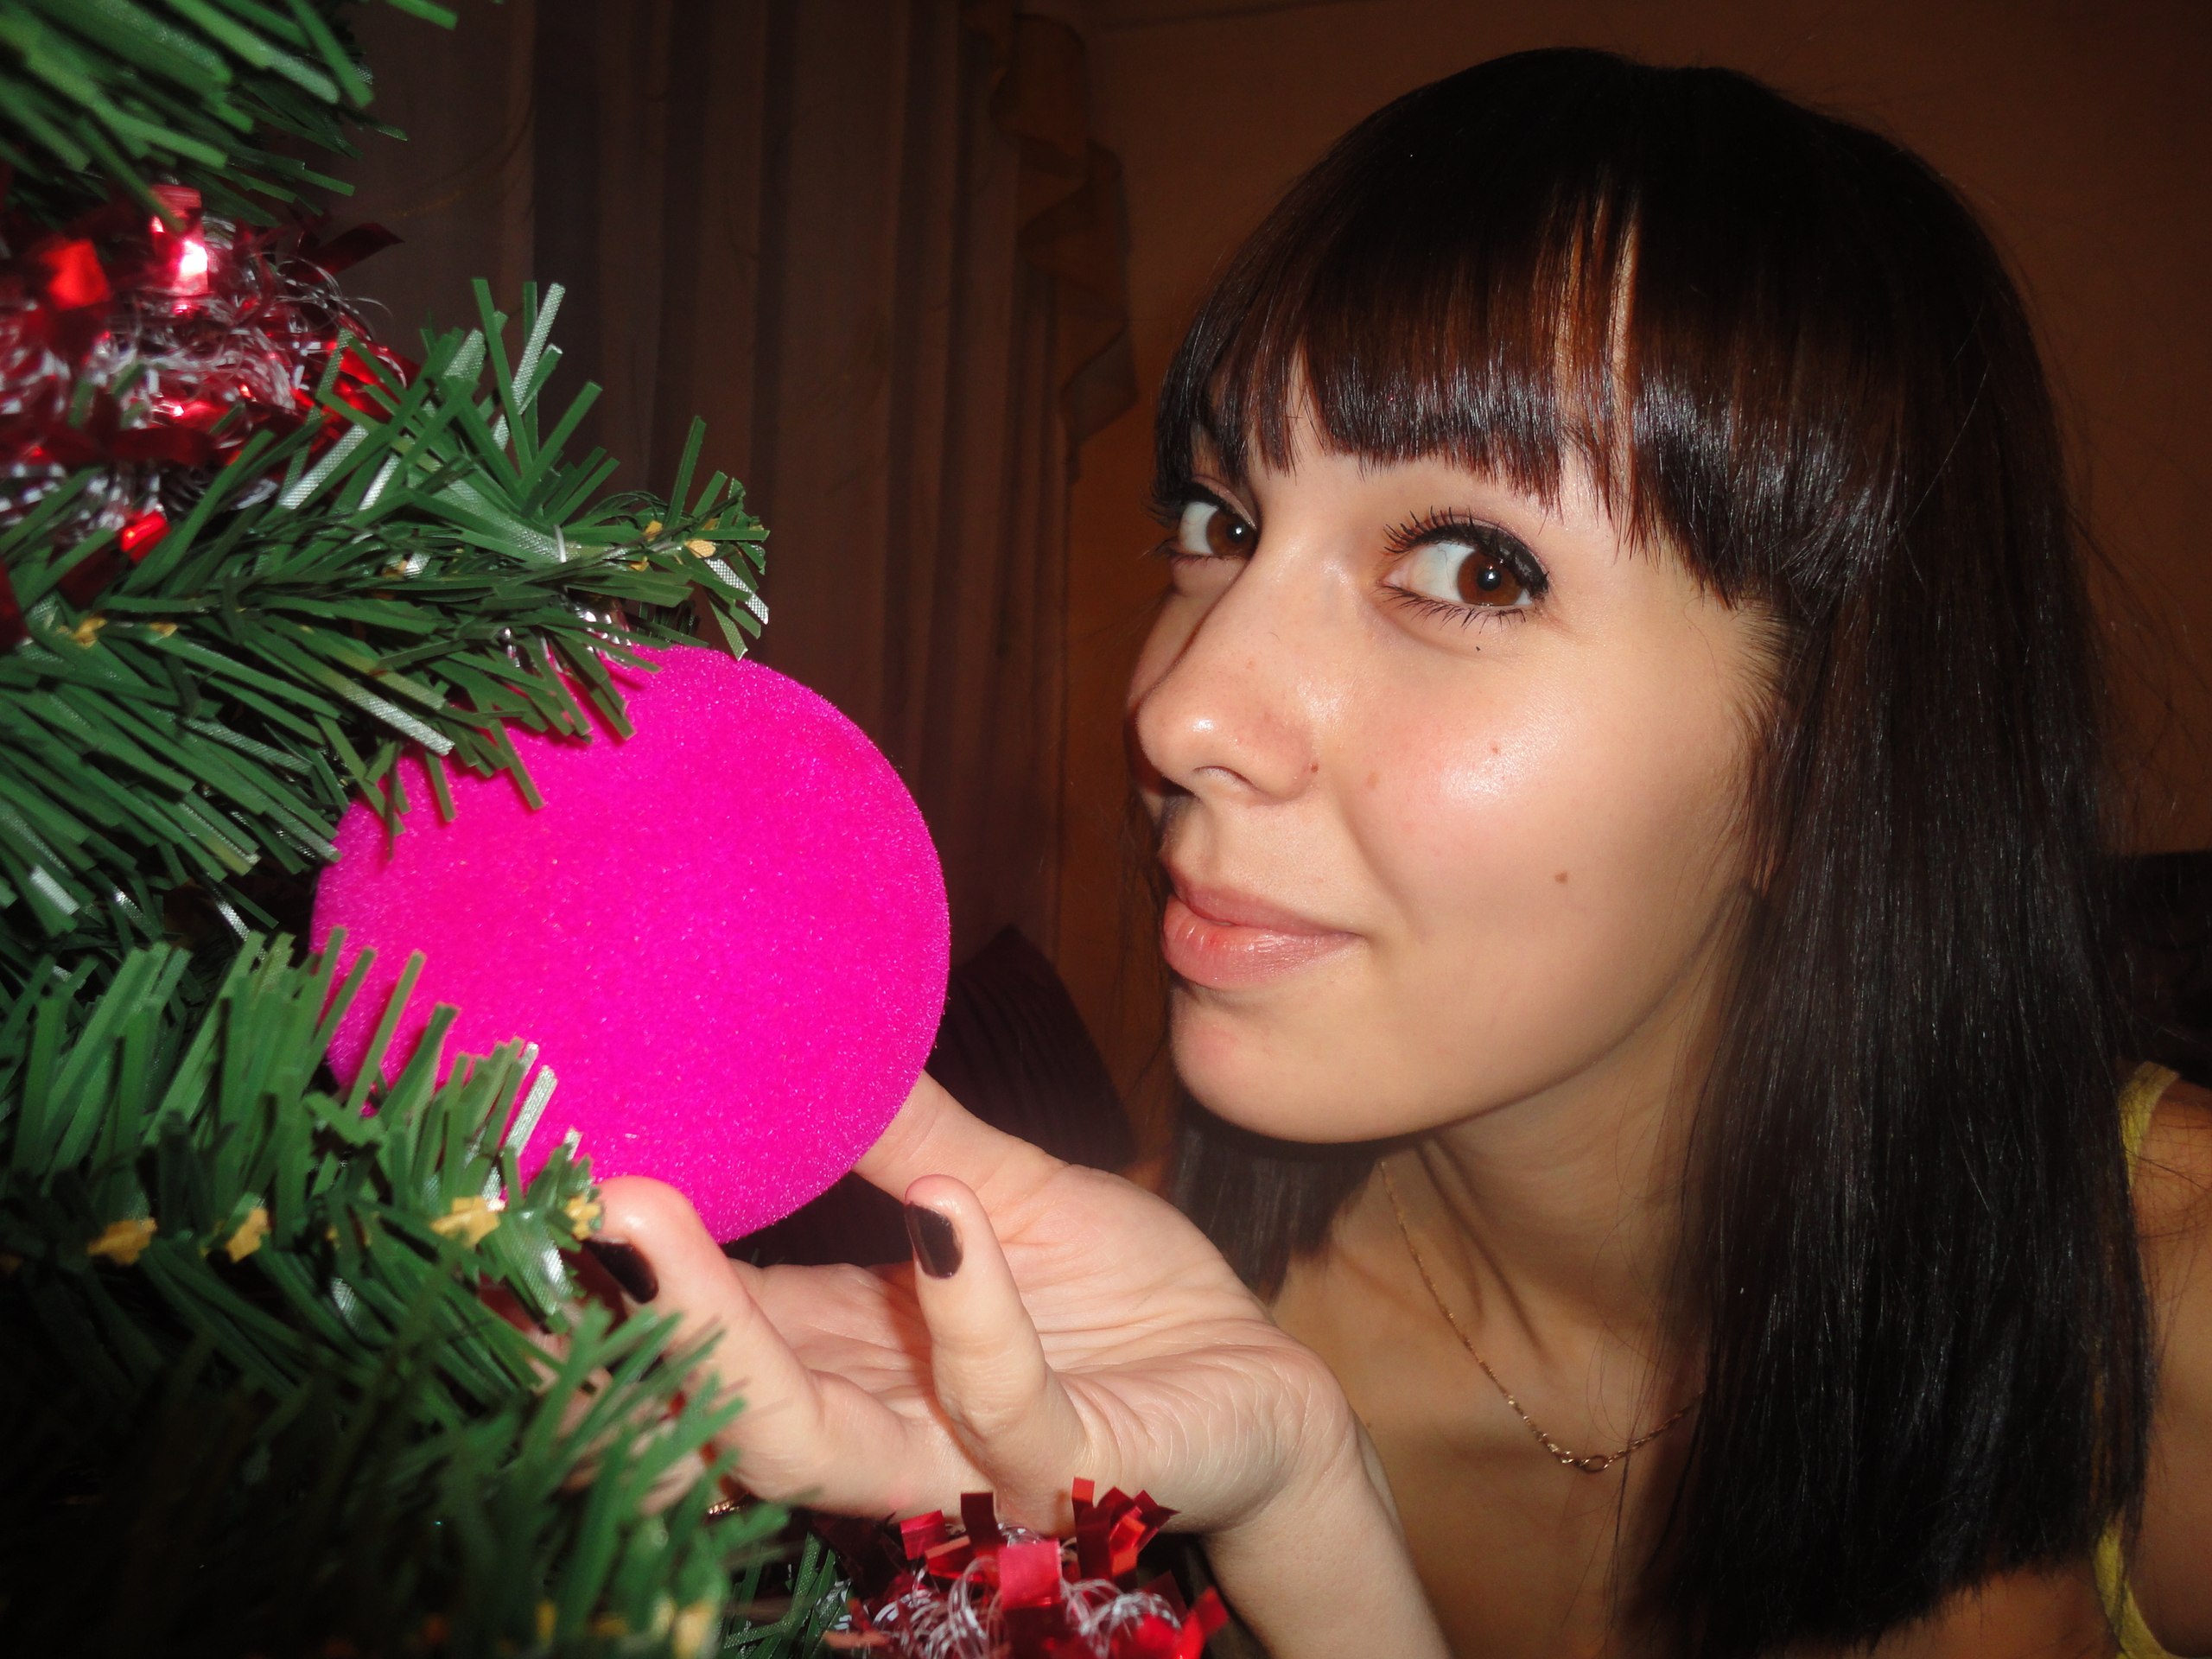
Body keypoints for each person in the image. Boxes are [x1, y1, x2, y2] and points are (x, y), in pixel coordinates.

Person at [589, 49, 2212, 1657]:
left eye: (1473, 569)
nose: (1179, 711)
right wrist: (1302, 1510)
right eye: (1221, 524)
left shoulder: (2177, 1323)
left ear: (1830, 757)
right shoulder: (1152, 1336)